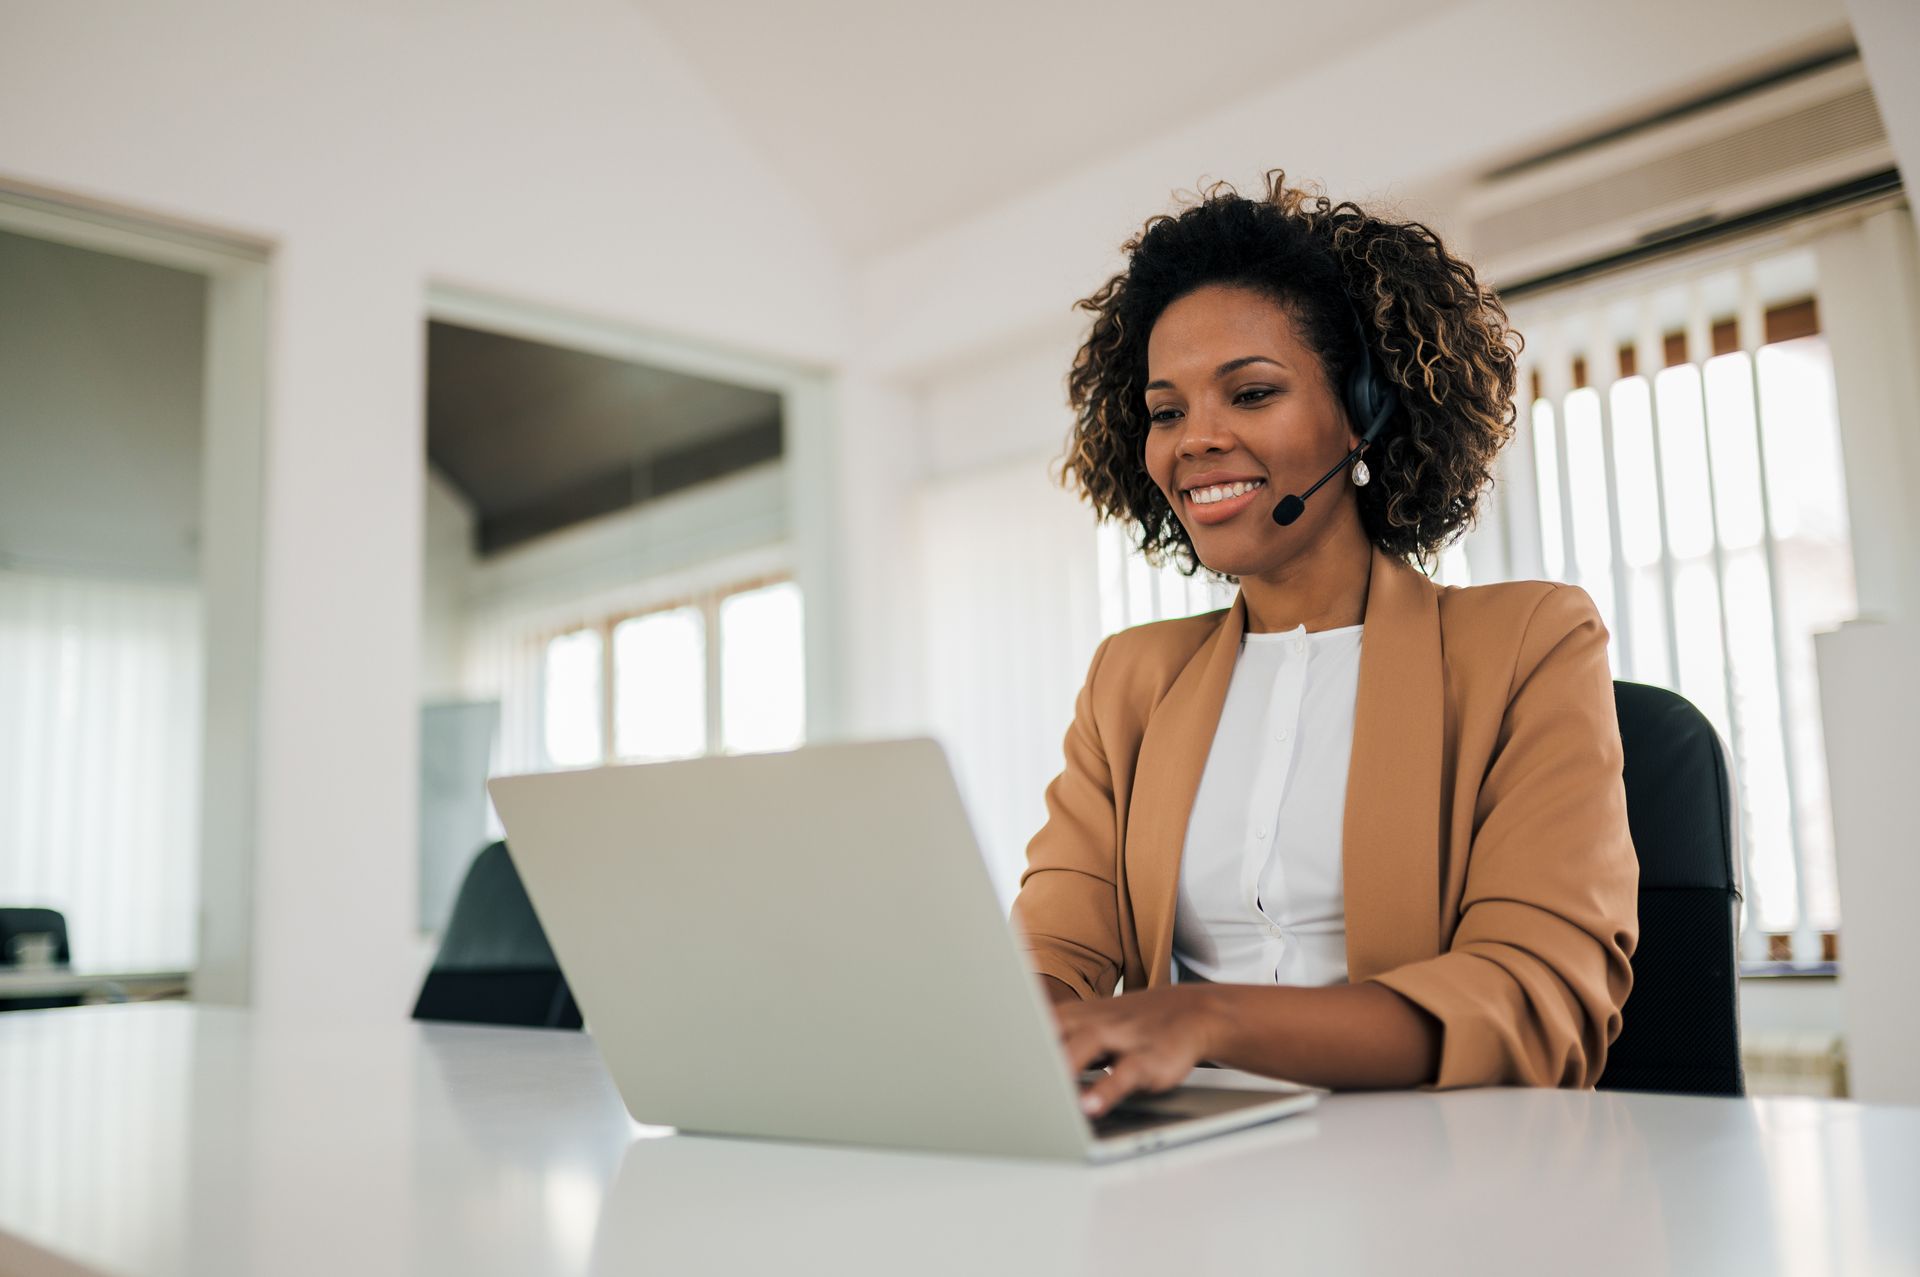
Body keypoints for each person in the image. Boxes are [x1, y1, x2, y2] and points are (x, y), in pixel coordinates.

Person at [1013, 172, 1638, 1117]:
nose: (1195, 440)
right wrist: (1028, 1028)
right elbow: (1054, 948)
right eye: (1168, 410)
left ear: (1362, 413)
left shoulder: (1526, 643)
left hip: (1436, 1171)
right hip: (1187, 1163)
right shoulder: (1132, 680)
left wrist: (1206, 1020)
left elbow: (1536, 997)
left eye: (1252, 393)